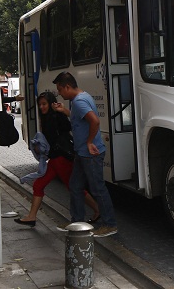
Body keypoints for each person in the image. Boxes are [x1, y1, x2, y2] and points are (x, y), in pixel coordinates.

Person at [15, 91, 100, 227]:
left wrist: (62, 111)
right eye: (40, 105)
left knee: (74, 188)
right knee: (39, 185)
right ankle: (31, 217)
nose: (42, 107)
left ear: (50, 103)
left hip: (62, 159)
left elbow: (71, 125)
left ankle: (97, 210)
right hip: (55, 160)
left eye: (44, 104)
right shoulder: (47, 118)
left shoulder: (56, 117)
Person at [52, 71, 118, 238]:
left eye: (60, 89)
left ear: (67, 86)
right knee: (75, 186)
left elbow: (94, 121)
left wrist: (89, 142)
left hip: (90, 153)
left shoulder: (80, 102)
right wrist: (64, 111)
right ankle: (77, 222)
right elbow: (78, 118)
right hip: (82, 153)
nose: (59, 93)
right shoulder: (80, 98)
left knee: (97, 188)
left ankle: (110, 225)